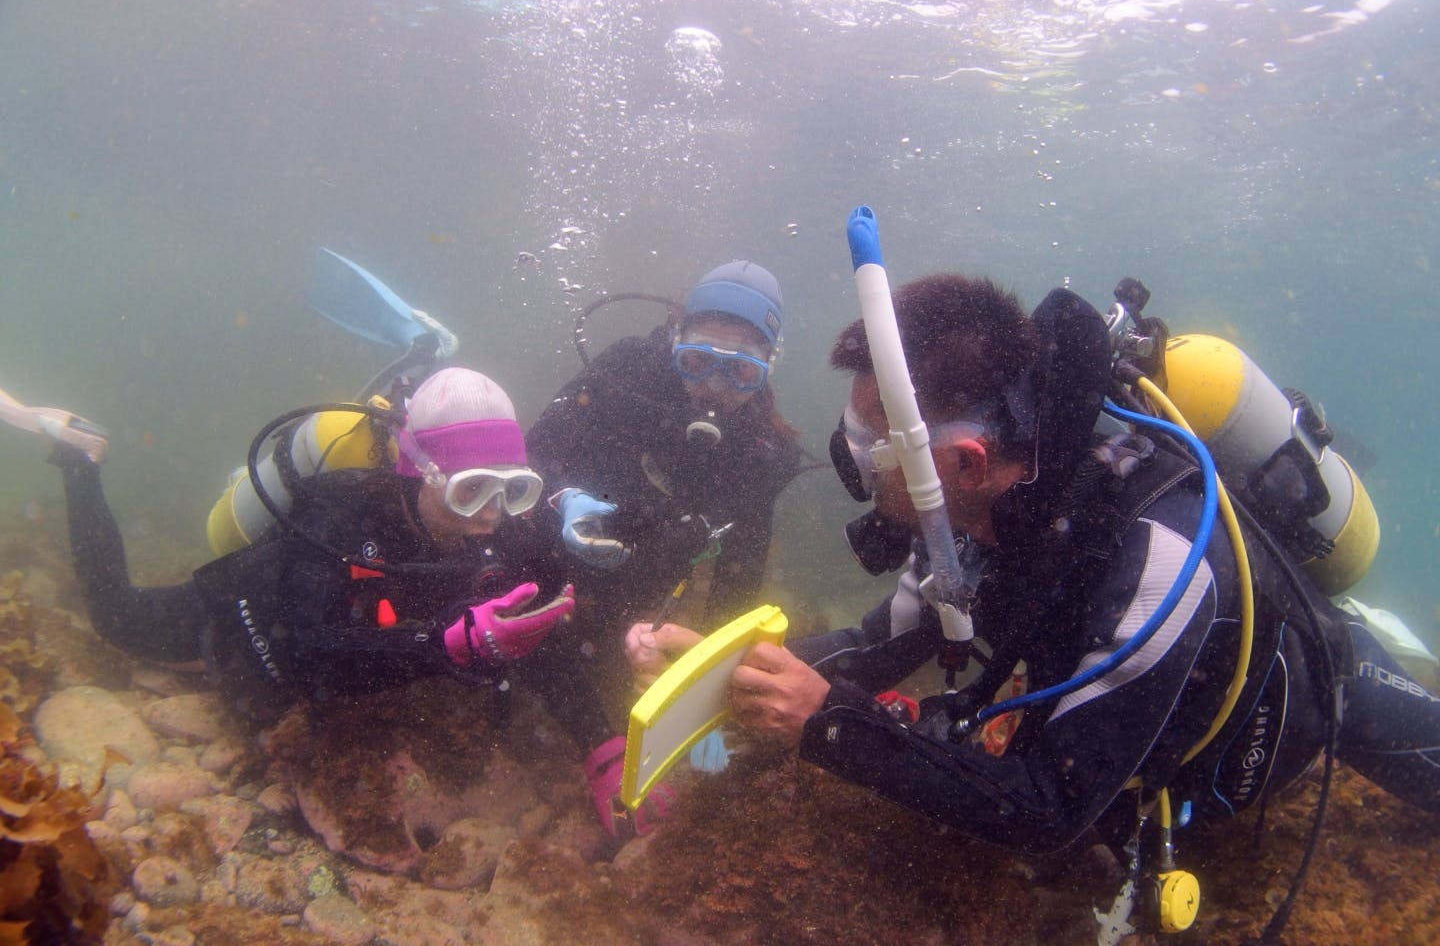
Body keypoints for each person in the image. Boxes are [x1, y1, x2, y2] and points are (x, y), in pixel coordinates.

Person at [627, 273, 1440, 927]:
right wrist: (712, 665)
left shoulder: (1162, 559)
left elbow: (1050, 808)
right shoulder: (965, 523)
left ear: (967, 462)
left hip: (1287, 722)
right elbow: (879, 646)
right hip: (1127, 738)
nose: (859, 469)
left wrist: (829, 724)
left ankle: (1364, 639)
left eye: (871, 448)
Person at [5, 367, 617, 752]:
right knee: (116, 616)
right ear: (419, 471)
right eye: (469, 489)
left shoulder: (500, 526)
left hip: (371, 634)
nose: (491, 515)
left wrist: (604, 748)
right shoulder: (343, 514)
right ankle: (82, 460)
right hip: (238, 618)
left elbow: (545, 631)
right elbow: (302, 651)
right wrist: (441, 647)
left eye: (513, 489)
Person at [526, 260, 806, 834]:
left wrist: (709, 697)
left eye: (741, 373)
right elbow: (534, 452)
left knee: (623, 634)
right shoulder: (624, 371)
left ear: (768, 369)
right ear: (674, 339)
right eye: (698, 361)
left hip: (642, 573)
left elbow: (740, 575)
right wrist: (562, 500)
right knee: (521, 576)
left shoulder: (761, 446)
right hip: (559, 539)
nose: (714, 388)